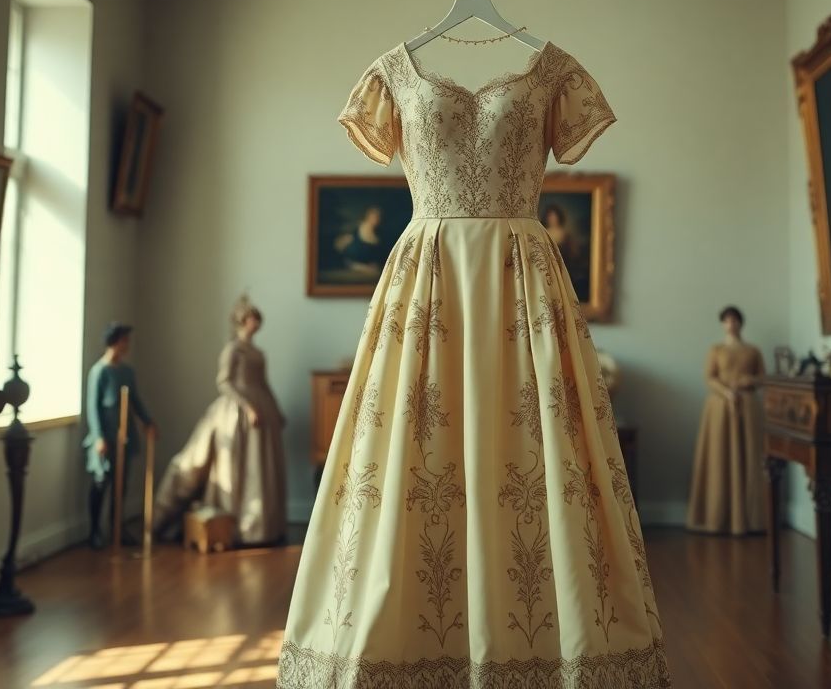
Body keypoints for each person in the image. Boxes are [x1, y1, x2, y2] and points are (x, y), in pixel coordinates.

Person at [279, 40, 667, 686]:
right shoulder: (389, 75)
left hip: (523, 283)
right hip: (426, 279)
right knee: (409, 455)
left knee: (536, 452)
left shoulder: (556, 74)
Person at [152, 296, 288, 545]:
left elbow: (264, 383)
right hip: (235, 412)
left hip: (260, 409)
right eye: (252, 320)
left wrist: (275, 411)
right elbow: (223, 382)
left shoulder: (257, 352)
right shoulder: (233, 350)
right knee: (229, 464)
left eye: (258, 320)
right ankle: (227, 523)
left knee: (258, 467)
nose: (256, 324)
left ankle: (257, 526)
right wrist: (247, 406)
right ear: (243, 321)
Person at [687, 305, 767, 535]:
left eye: (735, 321)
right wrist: (727, 392)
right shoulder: (716, 349)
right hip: (721, 408)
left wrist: (744, 382)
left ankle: (750, 519)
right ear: (723, 324)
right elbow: (709, 377)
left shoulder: (753, 350)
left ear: (741, 323)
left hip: (748, 407)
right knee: (720, 456)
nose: (731, 325)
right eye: (727, 321)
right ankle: (717, 517)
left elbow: (762, 377)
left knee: (749, 455)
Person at [83, 322, 156, 549]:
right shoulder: (99, 372)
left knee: (120, 485)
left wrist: (147, 422)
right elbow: (93, 406)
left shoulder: (127, 372)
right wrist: (99, 437)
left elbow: (135, 400)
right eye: (124, 340)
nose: (127, 345)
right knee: (101, 482)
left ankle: (117, 527)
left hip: (125, 436)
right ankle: (94, 531)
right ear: (115, 342)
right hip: (106, 437)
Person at [336, 205, 389, 274]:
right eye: (374, 216)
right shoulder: (358, 229)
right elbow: (340, 245)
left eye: (378, 216)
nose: (377, 219)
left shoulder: (379, 233)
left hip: (370, 266)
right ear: (367, 216)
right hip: (355, 264)